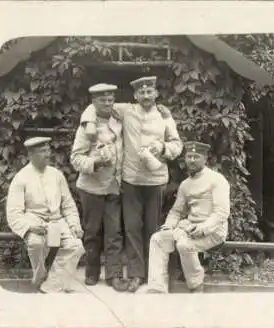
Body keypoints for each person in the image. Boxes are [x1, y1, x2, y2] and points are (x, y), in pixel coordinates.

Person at [112, 76, 183, 292]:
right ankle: (135, 274)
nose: (145, 96)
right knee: (132, 227)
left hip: (155, 180)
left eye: (149, 92)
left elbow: (177, 144)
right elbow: (96, 106)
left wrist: (162, 148)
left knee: (152, 228)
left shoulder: (165, 117)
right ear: (135, 95)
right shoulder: (125, 111)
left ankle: (154, 275)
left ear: (156, 94)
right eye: (141, 93)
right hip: (131, 178)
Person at [145, 141, 231, 294]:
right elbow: (177, 211)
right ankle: (157, 287)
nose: (191, 160)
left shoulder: (217, 180)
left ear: (205, 158)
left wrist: (202, 228)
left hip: (214, 231)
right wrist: (169, 226)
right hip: (189, 228)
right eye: (189, 156)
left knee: (184, 245)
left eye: (196, 157)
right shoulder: (185, 184)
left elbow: (221, 213)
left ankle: (196, 285)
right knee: (158, 239)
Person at [70, 83, 129, 292]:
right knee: (92, 232)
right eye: (102, 100)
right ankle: (92, 272)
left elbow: (139, 107)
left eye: (110, 99)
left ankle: (114, 275)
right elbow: (75, 158)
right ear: (93, 102)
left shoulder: (118, 118)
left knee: (114, 232)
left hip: (113, 186)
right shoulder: (87, 125)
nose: (107, 103)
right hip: (91, 188)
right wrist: (95, 163)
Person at [6, 137, 85, 293]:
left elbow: (68, 204)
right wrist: (29, 227)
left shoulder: (56, 175)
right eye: (42, 151)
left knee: (76, 246)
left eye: (48, 150)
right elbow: (14, 212)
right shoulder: (21, 178)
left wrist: (74, 224)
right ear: (31, 155)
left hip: (57, 221)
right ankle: (40, 275)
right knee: (36, 243)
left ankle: (51, 285)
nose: (48, 154)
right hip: (34, 219)